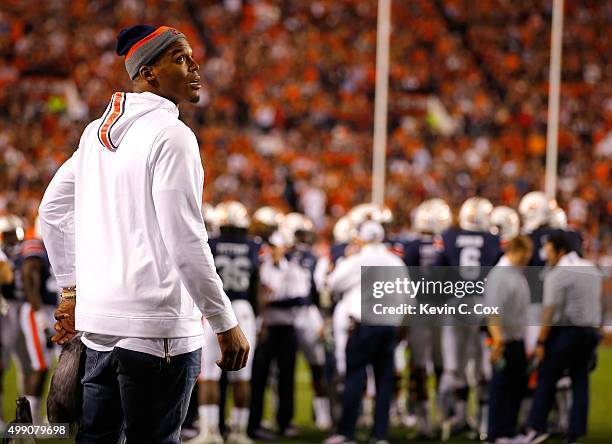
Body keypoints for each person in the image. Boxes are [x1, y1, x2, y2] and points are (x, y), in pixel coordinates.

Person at [38, 25, 249, 443]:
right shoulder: (172, 134)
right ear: (148, 72)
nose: (194, 67)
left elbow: (51, 210)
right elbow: (185, 239)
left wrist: (70, 290)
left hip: (99, 331)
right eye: (180, 59)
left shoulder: (95, 134)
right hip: (159, 333)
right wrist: (224, 320)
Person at [325, 221, 408, 444]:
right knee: (383, 382)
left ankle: (347, 432)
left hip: (364, 326)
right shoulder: (395, 260)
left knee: (354, 379)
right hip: (389, 326)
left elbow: (333, 284)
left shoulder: (358, 259)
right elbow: (407, 297)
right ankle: (380, 434)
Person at [522, 233, 602, 444]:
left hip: (568, 333)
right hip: (590, 332)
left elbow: (550, 312)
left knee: (546, 377)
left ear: (560, 250)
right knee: (580, 381)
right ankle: (574, 433)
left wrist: (540, 341)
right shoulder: (591, 267)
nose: (546, 255)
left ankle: (537, 427)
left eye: (549, 250)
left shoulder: (558, 273)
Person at [192, 201, 261, 444]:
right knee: (243, 376)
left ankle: (210, 432)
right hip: (243, 308)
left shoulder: (211, 242)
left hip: (215, 307)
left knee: (209, 374)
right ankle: (239, 433)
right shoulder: (254, 245)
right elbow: (257, 284)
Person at [484, 235, 533, 443]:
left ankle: (509, 430)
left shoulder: (515, 273)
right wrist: (498, 341)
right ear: (515, 250)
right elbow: (492, 311)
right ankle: (497, 433)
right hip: (504, 339)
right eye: (525, 254)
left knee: (516, 386)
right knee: (501, 387)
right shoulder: (501, 274)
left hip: (516, 338)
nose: (528, 259)